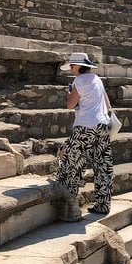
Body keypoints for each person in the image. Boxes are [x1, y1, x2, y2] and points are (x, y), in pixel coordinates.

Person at [55, 52, 114, 221]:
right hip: (103, 125)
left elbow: (70, 105)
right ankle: (103, 205)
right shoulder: (97, 79)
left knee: (70, 161)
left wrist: (70, 94)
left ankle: (68, 205)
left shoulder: (78, 81)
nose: (71, 70)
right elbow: (108, 105)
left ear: (78, 66)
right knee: (103, 164)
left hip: (85, 126)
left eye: (72, 66)